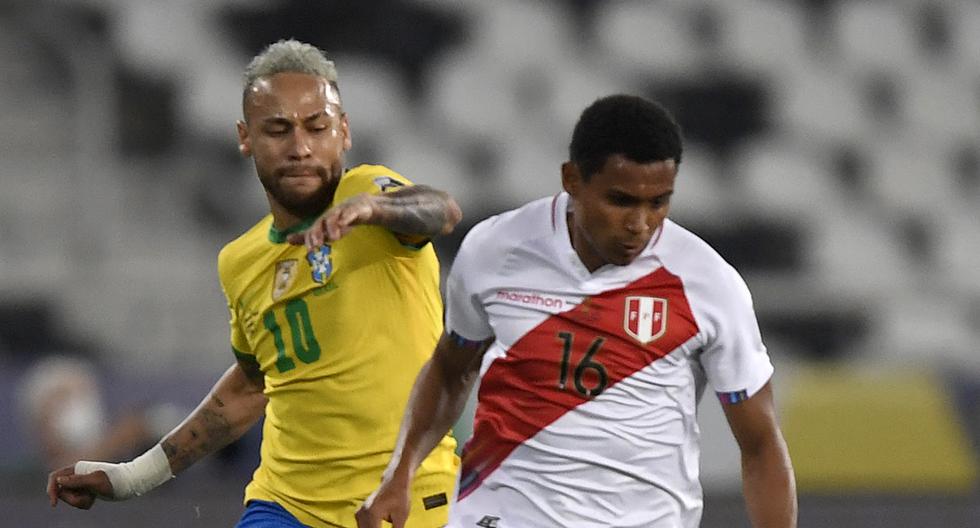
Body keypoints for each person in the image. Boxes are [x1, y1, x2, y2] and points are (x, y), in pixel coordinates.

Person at [46, 39, 463, 528]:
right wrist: (132, 477)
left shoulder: (369, 192)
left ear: (344, 132)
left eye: (317, 127)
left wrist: (374, 209)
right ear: (246, 138)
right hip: (286, 506)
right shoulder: (241, 261)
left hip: (406, 496)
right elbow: (250, 385)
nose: (301, 146)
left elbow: (441, 211)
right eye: (278, 129)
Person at [355, 95, 798, 528]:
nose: (639, 224)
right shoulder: (497, 249)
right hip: (502, 512)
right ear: (572, 179)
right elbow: (451, 370)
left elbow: (760, 445)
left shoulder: (707, 283)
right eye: (621, 200)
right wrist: (401, 472)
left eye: (658, 202)